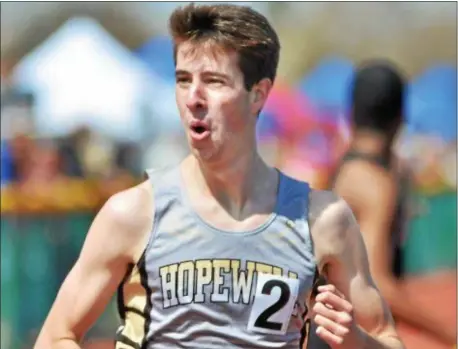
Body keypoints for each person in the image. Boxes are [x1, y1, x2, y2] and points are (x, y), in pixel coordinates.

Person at [34, 4, 404, 349]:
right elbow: (55, 336)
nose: (193, 97)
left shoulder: (322, 220)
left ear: (258, 94)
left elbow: (385, 336)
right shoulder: (133, 214)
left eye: (213, 81)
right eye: (182, 80)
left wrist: (355, 340)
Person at [330, 60, 456, 345]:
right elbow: (378, 285)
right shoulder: (374, 184)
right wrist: (448, 333)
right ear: (400, 117)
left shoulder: (342, 172)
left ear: (350, 114)